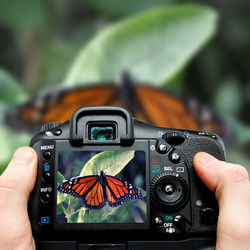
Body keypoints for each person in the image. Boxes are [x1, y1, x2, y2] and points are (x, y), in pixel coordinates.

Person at [0, 147, 249, 250]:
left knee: (103, 193)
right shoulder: (105, 182)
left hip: (95, 196)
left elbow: (125, 191)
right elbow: (78, 187)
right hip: (99, 196)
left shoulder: (89, 182)